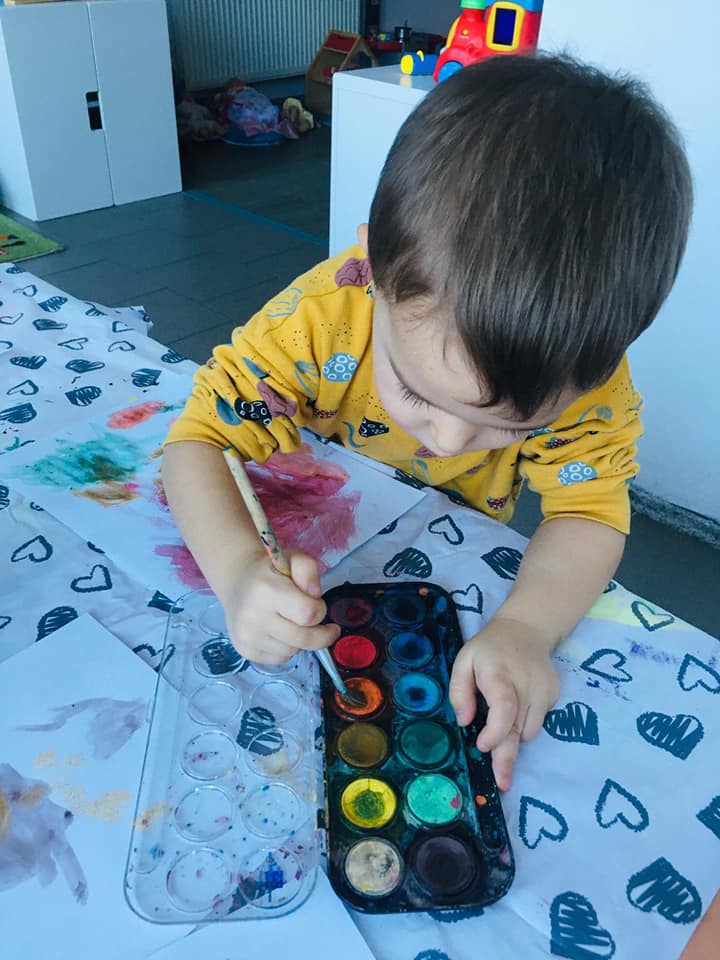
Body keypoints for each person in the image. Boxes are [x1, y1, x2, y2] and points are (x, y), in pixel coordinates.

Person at [162, 54, 692, 790]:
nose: (447, 442)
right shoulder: (321, 318)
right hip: (309, 542)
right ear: (376, 272)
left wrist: (526, 628)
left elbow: (589, 513)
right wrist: (238, 571)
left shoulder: (589, 384)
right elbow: (201, 439)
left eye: (510, 429)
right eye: (417, 395)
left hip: (439, 572)